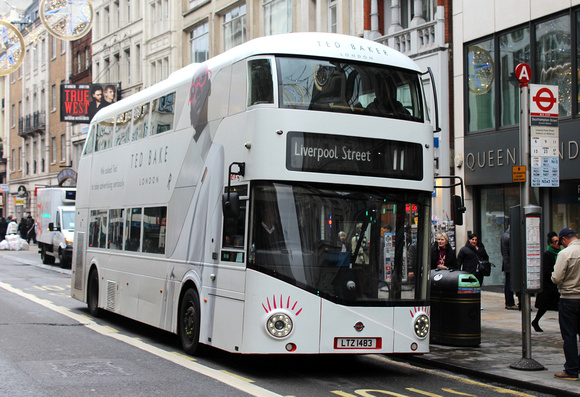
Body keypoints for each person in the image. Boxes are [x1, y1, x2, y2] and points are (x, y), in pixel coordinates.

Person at [551, 227, 580, 380]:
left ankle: (571, 370)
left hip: (569, 298)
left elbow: (556, 278)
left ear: (563, 240)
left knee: (569, 336)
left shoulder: (565, 253)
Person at [532, 231, 560, 332]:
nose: (558, 243)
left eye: (558, 241)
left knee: (560, 307)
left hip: (557, 285)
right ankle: (535, 321)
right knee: (544, 307)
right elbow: (546, 271)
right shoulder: (547, 255)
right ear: (550, 244)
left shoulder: (561, 254)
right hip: (549, 285)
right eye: (555, 241)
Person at [501, 225, 520, 310]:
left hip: (509, 263)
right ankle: (510, 302)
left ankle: (510, 302)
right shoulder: (509, 237)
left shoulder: (506, 235)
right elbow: (506, 253)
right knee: (509, 283)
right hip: (510, 264)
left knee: (509, 283)